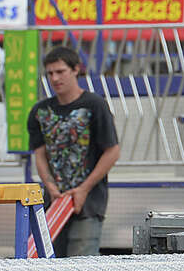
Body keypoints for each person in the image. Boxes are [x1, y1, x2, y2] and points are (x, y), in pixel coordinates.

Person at [27, 46, 120, 257]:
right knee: (49, 263)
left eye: (61, 71)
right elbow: (39, 154)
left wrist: (84, 189)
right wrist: (50, 186)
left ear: (76, 69)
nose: (55, 78)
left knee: (81, 267)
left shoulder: (94, 105)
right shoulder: (40, 111)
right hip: (54, 203)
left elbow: (112, 151)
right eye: (50, 73)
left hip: (88, 204)